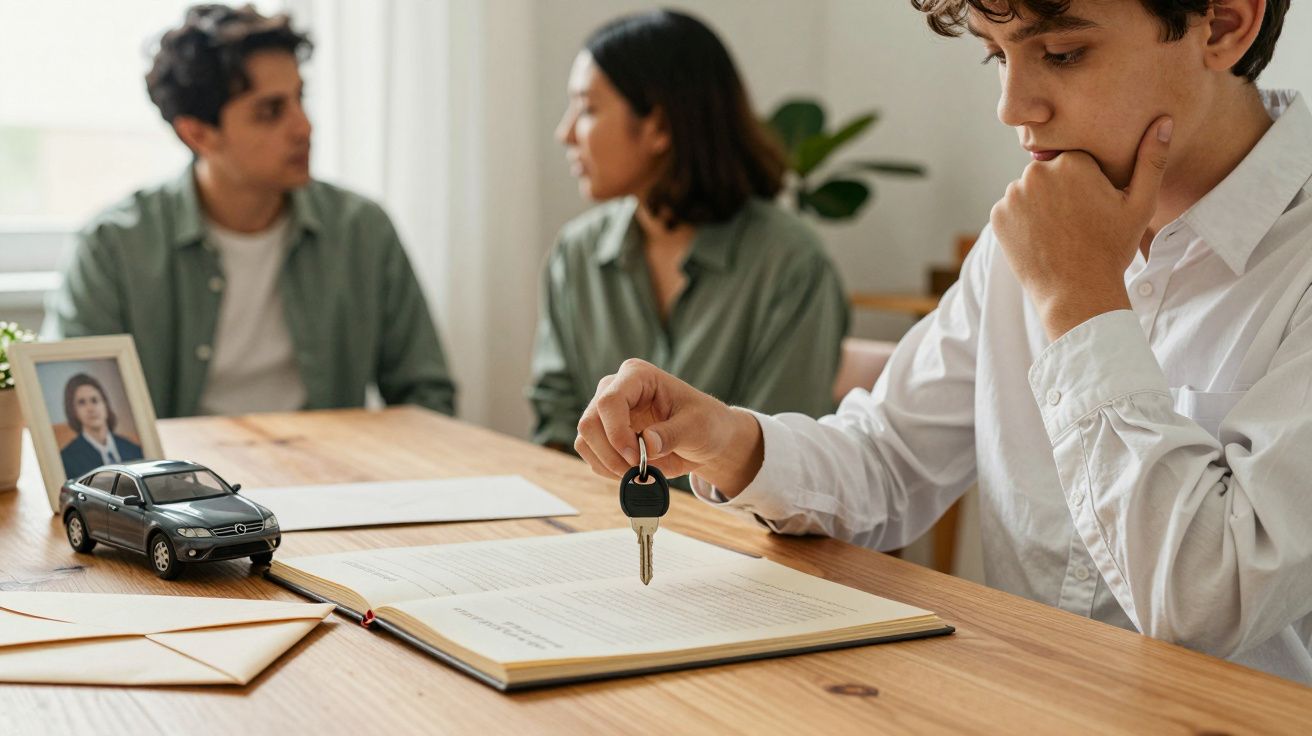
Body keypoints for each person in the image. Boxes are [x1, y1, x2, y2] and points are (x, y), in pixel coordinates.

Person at [575, 0, 1312, 685]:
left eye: (1061, 53)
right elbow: (889, 460)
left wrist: (1080, 304)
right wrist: (729, 440)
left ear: (1224, 23)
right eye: (997, 55)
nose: (1011, 108)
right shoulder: (1025, 238)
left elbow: (1210, 603)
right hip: (1022, 701)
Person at [45, 4, 456, 418]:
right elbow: (72, 423)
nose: (304, 127)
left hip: (330, 460)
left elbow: (427, 396)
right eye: (270, 111)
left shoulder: (362, 229)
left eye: (300, 99)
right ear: (197, 133)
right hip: (179, 463)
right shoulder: (112, 246)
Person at [531, 10, 849, 458]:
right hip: (591, 503)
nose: (565, 133)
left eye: (587, 108)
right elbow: (557, 424)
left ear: (659, 126)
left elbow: (780, 455)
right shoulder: (574, 253)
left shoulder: (791, 264)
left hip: (733, 508)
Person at [59, 373, 144, 479]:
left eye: (94, 400)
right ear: (73, 411)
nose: (90, 408)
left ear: (105, 404)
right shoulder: (67, 460)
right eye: (82, 403)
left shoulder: (134, 450)